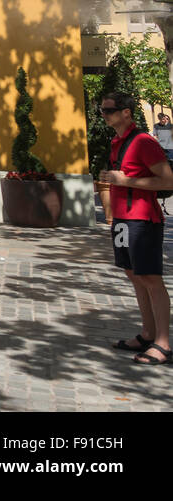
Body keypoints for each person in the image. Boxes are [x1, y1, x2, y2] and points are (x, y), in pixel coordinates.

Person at [97, 92, 173, 365]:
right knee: (134, 275)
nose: (104, 114)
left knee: (151, 278)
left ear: (126, 112)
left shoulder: (143, 142)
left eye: (109, 110)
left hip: (143, 220)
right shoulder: (118, 141)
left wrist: (125, 181)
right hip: (122, 219)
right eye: (103, 110)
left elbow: (167, 181)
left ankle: (163, 343)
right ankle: (147, 333)